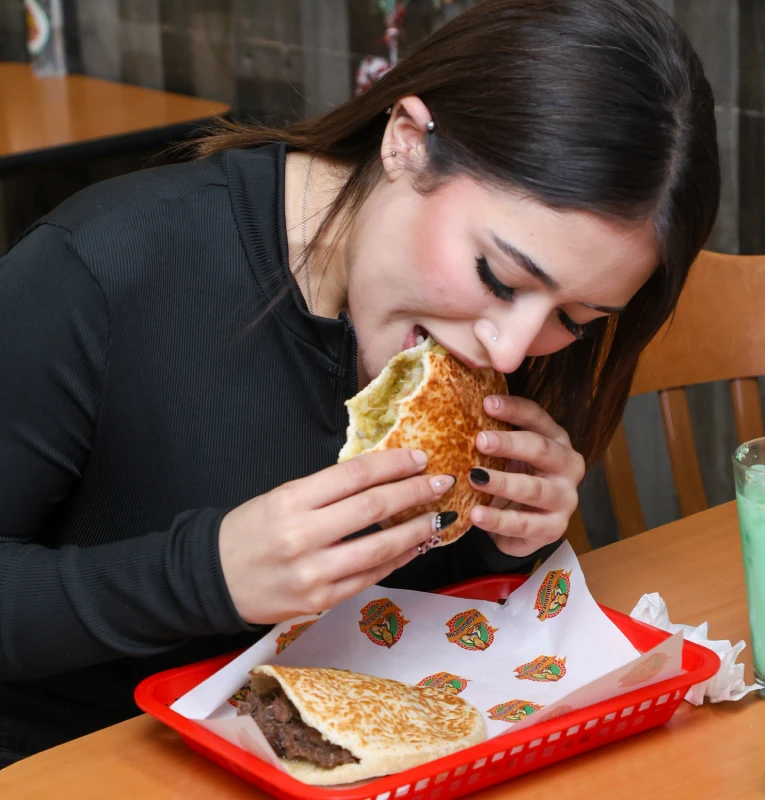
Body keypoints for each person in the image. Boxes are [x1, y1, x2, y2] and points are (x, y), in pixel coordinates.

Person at [0, 0, 720, 768]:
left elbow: (426, 640)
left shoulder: (495, 346)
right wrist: (204, 576)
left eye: (576, 318)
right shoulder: (98, 265)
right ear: (407, 141)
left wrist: (506, 541)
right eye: (497, 276)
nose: (511, 349)